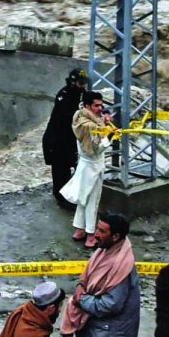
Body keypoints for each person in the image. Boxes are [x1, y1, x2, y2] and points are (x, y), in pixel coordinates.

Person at [60, 90, 113, 244]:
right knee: (92, 201)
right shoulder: (89, 126)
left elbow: (96, 124)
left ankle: (79, 229)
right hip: (93, 166)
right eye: (96, 105)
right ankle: (90, 235)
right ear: (88, 105)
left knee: (83, 198)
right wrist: (109, 136)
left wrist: (104, 123)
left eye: (101, 105)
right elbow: (95, 150)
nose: (100, 108)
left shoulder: (80, 116)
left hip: (84, 165)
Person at [42, 68, 89, 204]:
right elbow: (67, 117)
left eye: (84, 83)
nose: (83, 86)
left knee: (74, 166)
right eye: (80, 83)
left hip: (71, 138)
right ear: (73, 82)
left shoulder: (82, 93)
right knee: (60, 171)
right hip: (57, 138)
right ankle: (61, 199)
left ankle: (70, 195)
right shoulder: (63, 95)